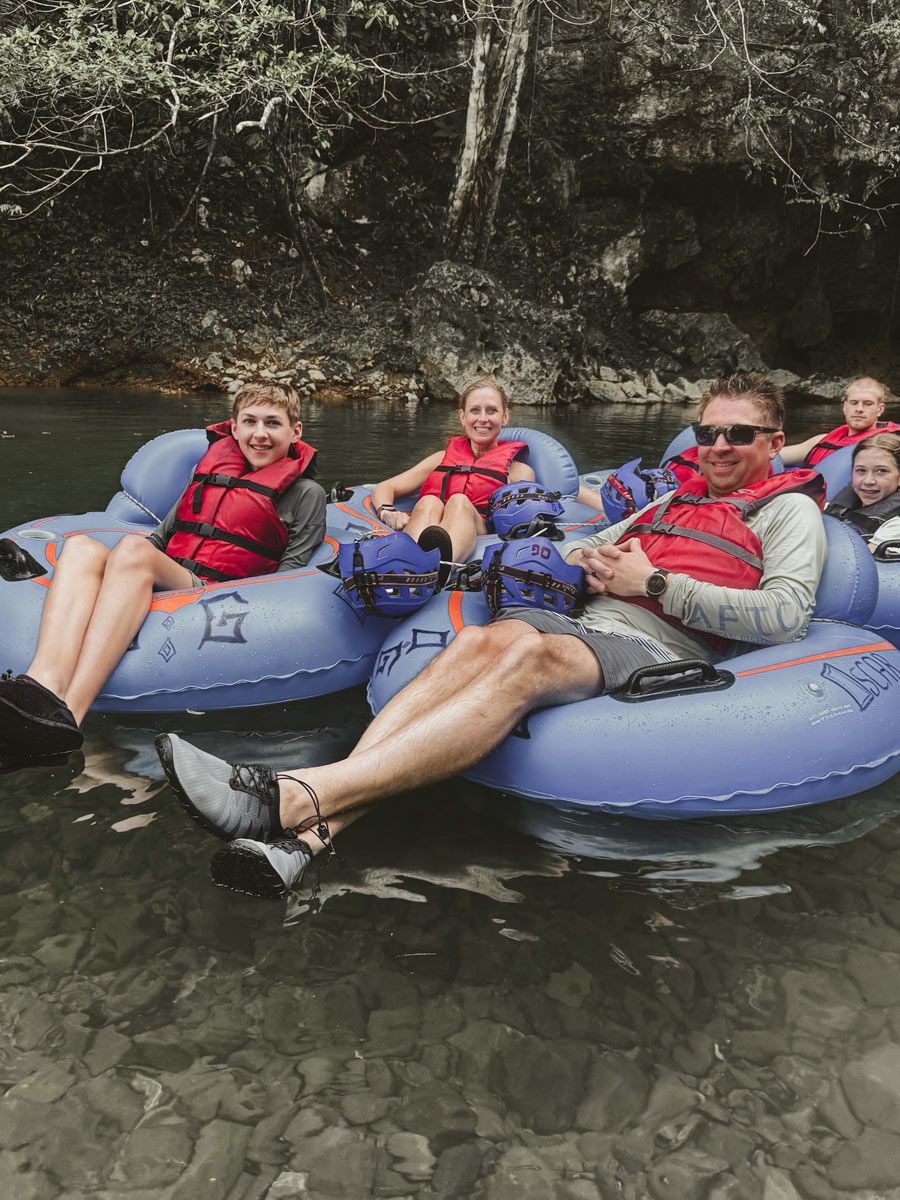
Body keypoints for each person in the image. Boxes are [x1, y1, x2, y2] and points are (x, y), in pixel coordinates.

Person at [156, 372, 827, 900]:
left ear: (773, 440)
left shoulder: (788, 510)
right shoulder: (674, 497)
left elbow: (786, 615)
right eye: (707, 431)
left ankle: (293, 793)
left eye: (739, 435)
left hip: (659, 646)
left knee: (528, 654)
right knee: (475, 644)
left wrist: (653, 585)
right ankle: (305, 841)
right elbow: (595, 539)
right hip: (585, 620)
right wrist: (588, 560)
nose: (717, 446)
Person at [0, 381, 326, 761]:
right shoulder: (210, 472)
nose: (259, 434)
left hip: (216, 592)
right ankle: (39, 685)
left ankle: (71, 713)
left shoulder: (306, 495)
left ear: (295, 431)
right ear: (234, 427)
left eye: (273, 423)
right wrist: (119, 576)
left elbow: (290, 579)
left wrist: (135, 563)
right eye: (250, 422)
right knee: (81, 548)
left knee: (135, 553)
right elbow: (162, 537)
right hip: (170, 571)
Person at [370, 379, 534, 567]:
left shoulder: (518, 472)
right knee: (429, 501)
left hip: (479, 529)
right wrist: (387, 511)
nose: (482, 419)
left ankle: (439, 568)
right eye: (474, 410)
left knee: (458, 501)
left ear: (505, 417)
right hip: (429, 523)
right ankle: (410, 568)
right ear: (462, 417)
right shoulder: (440, 459)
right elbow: (386, 486)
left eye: (491, 410)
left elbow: (519, 524)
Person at [780, 377, 900, 467]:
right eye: (854, 403)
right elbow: (773, 456)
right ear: (845, 407)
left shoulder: (890, 446)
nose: (859, 409)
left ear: (880, 409)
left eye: (867, 404)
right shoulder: (822, 440)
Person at [825, 433, 900, 551]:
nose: (868, 481)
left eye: (881, 471)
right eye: (861, 470)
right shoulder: (836, 505)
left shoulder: (896, 525)